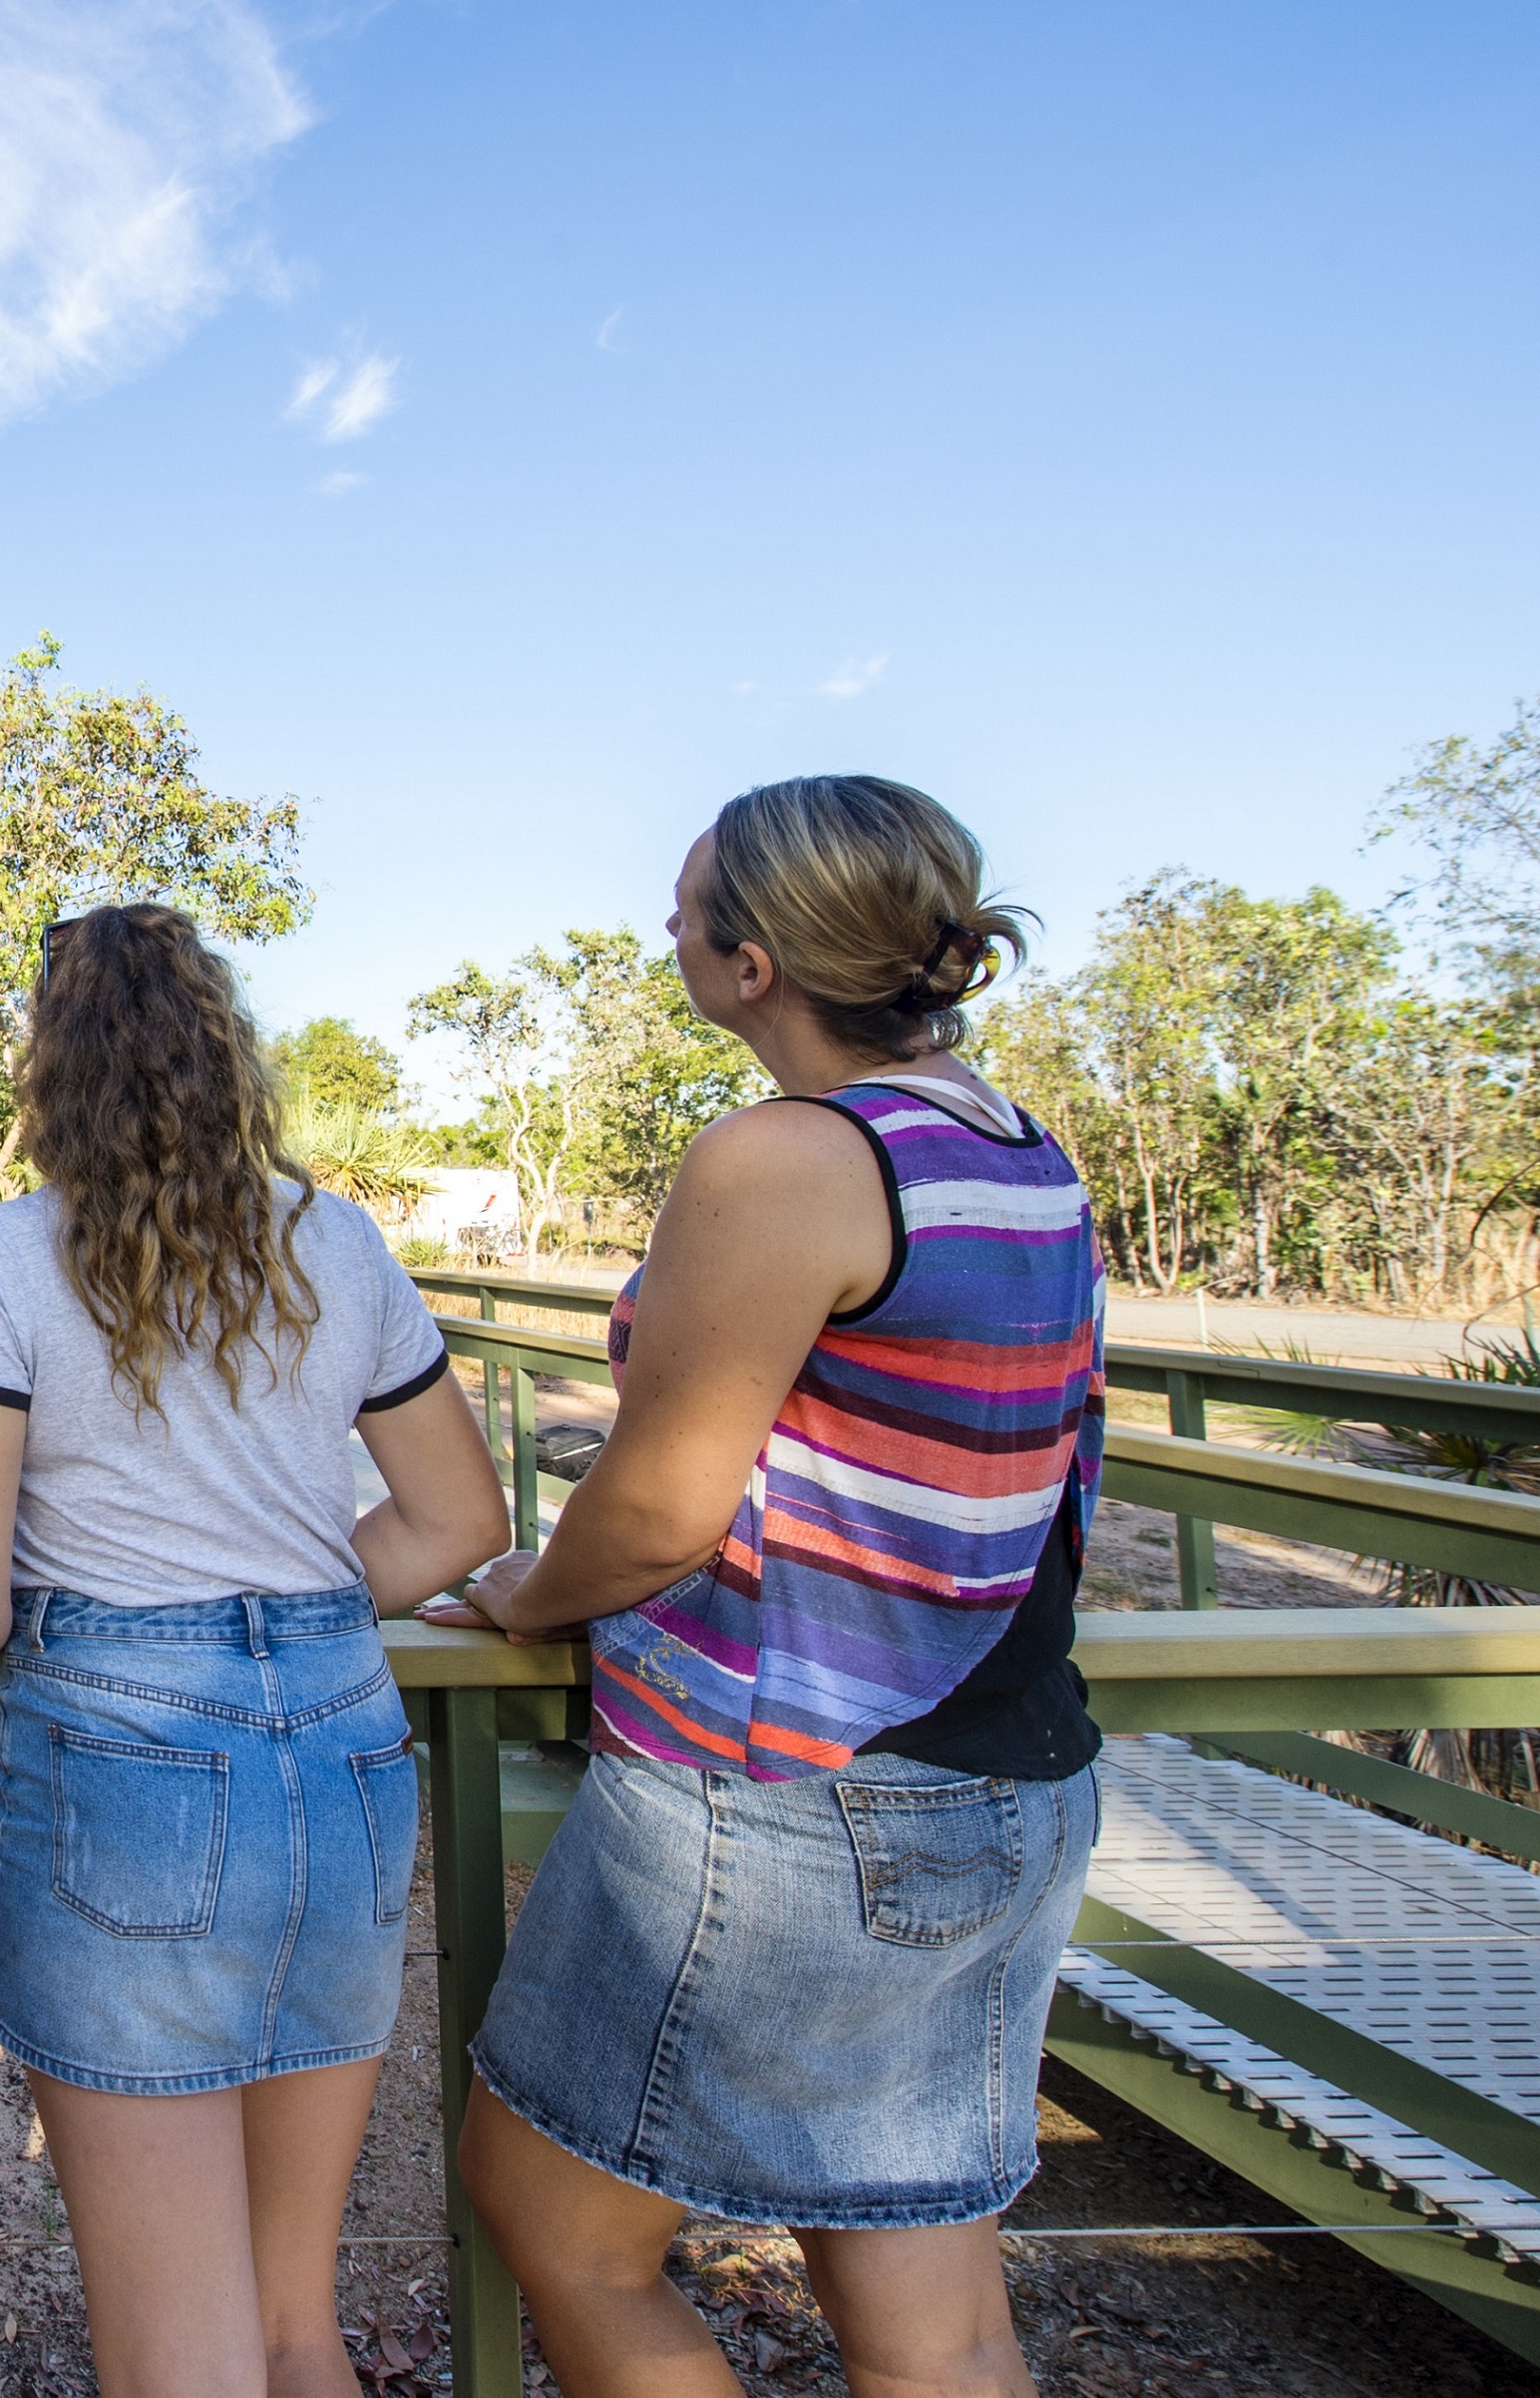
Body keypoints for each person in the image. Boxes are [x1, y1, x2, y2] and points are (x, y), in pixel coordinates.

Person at [428, 775, 1109, 2398]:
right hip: (1007, 1774)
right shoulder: (1017, 1146)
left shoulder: (789, 1158)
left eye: (684, 912)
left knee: (561, 2216)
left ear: (755, 963)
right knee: (929, 2306)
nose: (666, 932)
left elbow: (661, 1502)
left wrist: (530, 1595)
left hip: (802, 1793)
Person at [0, 905, 514, 2398]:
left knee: (180, 2344)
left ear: (51, 1069)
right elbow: (456, 1518)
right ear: (226, 1045)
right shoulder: (337, 1240)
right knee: (292, 2316)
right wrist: (293, 1605)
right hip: (344, 1754)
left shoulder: (0, 1260)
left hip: (130, 1769)